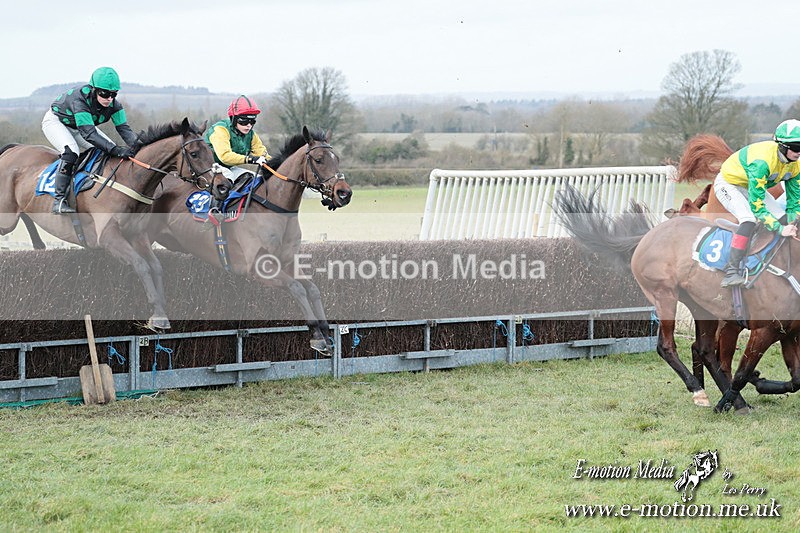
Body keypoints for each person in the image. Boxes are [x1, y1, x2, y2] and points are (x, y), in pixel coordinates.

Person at [41, 66, 140, 214]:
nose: (109, 98)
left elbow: (124, 130)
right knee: (71, 152)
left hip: (81, 126)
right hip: (57, 122)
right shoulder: (80, 101)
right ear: (94, 89)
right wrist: (116, 150)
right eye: (105, 93)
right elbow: (89, 134)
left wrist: (139, 148)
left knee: (107, 151)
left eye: (113, 94)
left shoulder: (115, 105)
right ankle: (59, 200)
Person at [715, 119, 800, 287]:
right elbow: (757, 207)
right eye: (796, 147)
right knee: (748, 220)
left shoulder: (795, 165)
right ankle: (731, 271)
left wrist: (791, 223)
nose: (799, 153)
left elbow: (794, 201)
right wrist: (780, 229)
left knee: (783, 218)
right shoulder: (762, 163)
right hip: (729, 184)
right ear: (782, 146)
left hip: (749, 185)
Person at [204, 95, 271, 185]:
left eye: (252, 121)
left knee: (255, 178)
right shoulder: (220, 130)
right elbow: (225, 156)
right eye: (244, 121)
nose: (248, 125)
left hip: (229, 167)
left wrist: (276, 164)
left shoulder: (251, 134)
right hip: (207, 167)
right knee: (228, 177)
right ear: (233, 119)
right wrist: (251, 159)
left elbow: (262, 154)